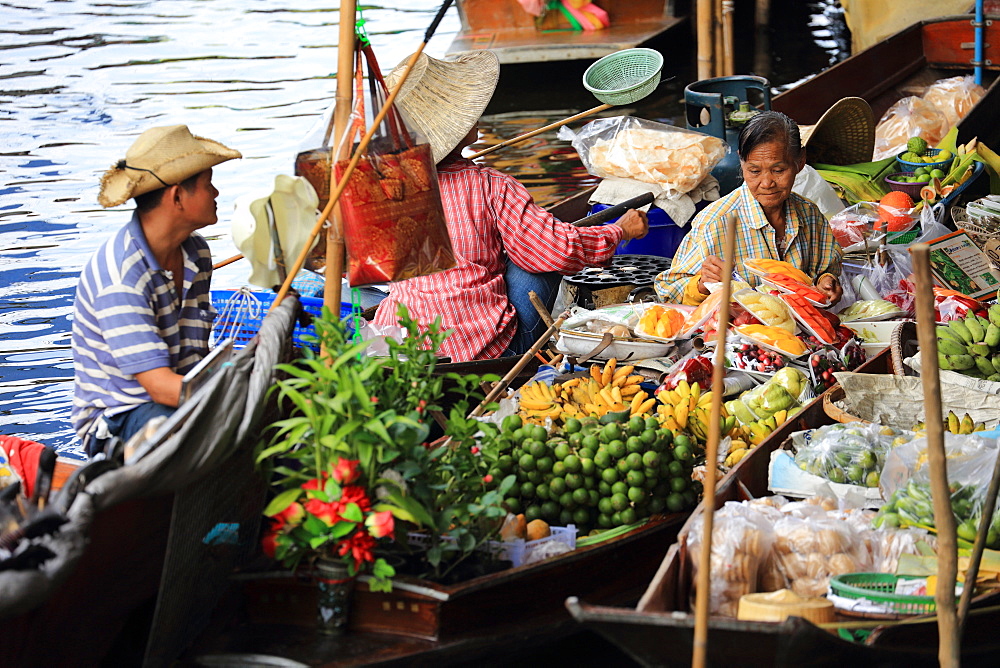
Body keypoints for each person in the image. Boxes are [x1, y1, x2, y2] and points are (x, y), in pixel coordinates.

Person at [371, 51, 649, 362]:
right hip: (482, 350)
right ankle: (523, 351)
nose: (475, 112)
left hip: (402, 348)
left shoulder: (386, 190)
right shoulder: (489, 185)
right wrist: (618, 230)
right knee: (532, 259)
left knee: (517, 244)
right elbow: (558, 251)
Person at [72, 125, 241, 456]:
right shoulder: (122, 277)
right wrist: (238, 396)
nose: (216, 193)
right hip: (123, 418)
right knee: (188, 427)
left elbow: (195, 357)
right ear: (177, 196)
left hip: (179, 393)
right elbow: (160, 388)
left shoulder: (196, 254)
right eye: (208, 185)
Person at [654, 111, 843, 305]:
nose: (767, 183)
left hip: (803, 329)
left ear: (800, 161)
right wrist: (702, 283)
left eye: (778, 170)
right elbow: (667, 290)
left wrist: (825, 282)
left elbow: (827, 268)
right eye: (754, 171)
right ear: (741, 162)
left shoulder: (810, 215)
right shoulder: (716, 222)